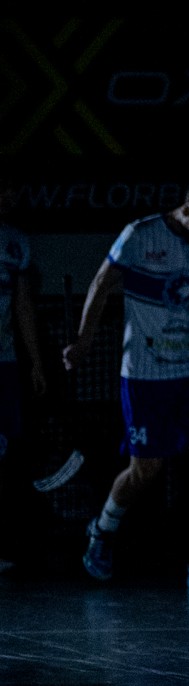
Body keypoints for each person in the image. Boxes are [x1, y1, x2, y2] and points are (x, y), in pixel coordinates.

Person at [68, 184, 189, 589]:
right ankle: (103, 530)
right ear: (187, 210)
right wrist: (83, 341)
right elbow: (101, 284)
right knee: (146, 469)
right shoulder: (140, 235)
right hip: (146, 374)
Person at [0, 205, 46, 574]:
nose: (12, 196)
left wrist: (35, 361)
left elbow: (23, 306)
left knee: (4, 451)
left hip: (5, 362)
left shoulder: (16, 241)